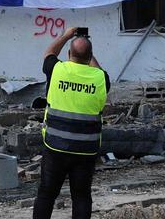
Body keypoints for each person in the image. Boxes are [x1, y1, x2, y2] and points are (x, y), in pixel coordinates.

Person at [33, 27, 110, 219]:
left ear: (68, 54)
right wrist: (86, 46)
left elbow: (49, 53)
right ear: (91, 56)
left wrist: (68, 35)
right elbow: (97, 69)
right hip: (86, 148)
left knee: (46, 193)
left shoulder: (57, 69)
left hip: (55, 146)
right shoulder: (101, 78)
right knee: (81, 195)